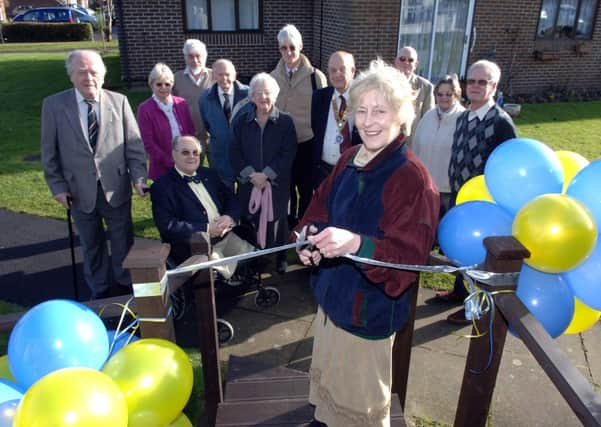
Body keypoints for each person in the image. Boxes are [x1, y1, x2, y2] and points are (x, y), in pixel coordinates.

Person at [295, 59, 439, 427]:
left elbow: (407, 263)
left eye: (380, 111)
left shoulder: (413, 179)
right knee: (330, 386)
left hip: (368, 310)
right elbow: (319, 207)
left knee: (359, 403)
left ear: (401, 116)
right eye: (361, 110)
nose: (369, 120)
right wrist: (309, 238)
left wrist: (356, 244)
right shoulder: (349, 159)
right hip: (332, 298)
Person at [41, 49, 148, 300]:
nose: (89, 77)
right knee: (91, 244)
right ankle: (99, 289)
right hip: (78, 191)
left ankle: (123, 283)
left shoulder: (118, 101)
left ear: (103, 74)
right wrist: (57, 187)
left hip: (116, 186)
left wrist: (139, 177)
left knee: (123, 239)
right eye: (82, 72)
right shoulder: (54, 106)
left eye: (94, 72)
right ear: (71, 76)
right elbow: (49, 152)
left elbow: (134, 145)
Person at [439, 59, 517, 325]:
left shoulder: (501, 123)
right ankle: (457, 293)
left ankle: (474, 308)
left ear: (493, 86)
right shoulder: (463, 117)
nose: (474, 86)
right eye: (470, 80)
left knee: (478, 258)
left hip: (483, 206)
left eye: (482, 82)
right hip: (459, 197)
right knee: (459, 249)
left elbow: (507, 169)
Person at [150, 135, 253, 280]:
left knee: (254, 257)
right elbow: (167, 226)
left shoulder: (209, 174)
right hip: (195, 249)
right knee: (222, 274)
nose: (191, 157)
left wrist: (229, 217)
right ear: (174, 154)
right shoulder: (162, 187)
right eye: (185, 152)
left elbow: (232, 199)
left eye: (195, 153)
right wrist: (205, 228)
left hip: (226, 237)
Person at [231, 73, 297, 275]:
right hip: (248, 183)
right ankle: (252, 257)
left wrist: (267, 175)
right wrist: (251, 175)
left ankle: (281, 256)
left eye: (267, 93)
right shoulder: (241, 121)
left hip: (275, 184)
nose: (263, 98)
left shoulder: (285, 122)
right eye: (258, 93)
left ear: (275, 95)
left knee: (278, 220)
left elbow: (288, 153)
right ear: (251, 96)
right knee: (250, 219)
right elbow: (234, 151)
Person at [270, 24, 327, 228]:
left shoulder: (316, 77)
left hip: (307, 142)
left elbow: (324, 111)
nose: (288, 52)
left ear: (301, 46)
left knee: (306, 189)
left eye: (292, 47)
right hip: (282, 145)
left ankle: (303, 226)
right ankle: (286, 225)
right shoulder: (272, 77)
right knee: (285, 188)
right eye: (283, 48)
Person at [412, 74, 465, 218]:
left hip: (448, 190)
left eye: (449, 94)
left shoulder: (464, 118)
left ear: (456, 95)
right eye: (440, 94)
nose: (444, 97)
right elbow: (416, 146)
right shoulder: (428, 116)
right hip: (425, 185)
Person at [311, 50, 362, 188]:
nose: (337, 74)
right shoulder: (319, 97)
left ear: (352, 71)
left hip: (352, 170)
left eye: (342, 69)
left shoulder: (362, 99)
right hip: (323, 170)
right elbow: (315, 129)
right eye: (333, 70)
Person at [137, 63, 195, 180]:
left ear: (172, 85)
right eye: (159, 84)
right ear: (151, 84)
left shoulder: (181, 103)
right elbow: (148, 142)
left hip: (185, 163)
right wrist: (170, 162)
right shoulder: (145, 109)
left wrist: (186, 157)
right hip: (161, 167)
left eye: (167, 84)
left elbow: (190, 131)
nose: (163, 87)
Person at [200, 59, 248, 189]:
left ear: (234, 75)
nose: (224, 78)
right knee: (225, 199)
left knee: (247, 200)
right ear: (213, 76)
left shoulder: (249, 95)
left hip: (245, 157)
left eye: (227, 74)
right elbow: (207, 124)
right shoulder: (205, 99)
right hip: (220, 157)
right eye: (220, 74)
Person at [173, 39, 214, 161]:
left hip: (212, 135)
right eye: (190, 56)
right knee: (192, 172)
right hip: (188, 135)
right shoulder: (176, 78)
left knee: (217, 172)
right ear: (185, 57)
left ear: (205, 57)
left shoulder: (215, 76)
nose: (195, 60)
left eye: (198, 56)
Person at [394, 46, 434, 145]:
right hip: (387, 144)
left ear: (416, 65)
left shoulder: (426, 87)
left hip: (412, 145)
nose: (406, 63)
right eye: (402, 59)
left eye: (410, 60)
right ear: (396, 61)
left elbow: (429, 120)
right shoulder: (384, 83)